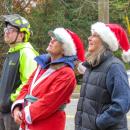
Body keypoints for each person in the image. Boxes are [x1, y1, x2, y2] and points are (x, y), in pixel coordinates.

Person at [11, 27, 85, 130]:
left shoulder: (67, 74)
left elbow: (48, 103)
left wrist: (22, 114)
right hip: (28, 123)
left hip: (47, 125)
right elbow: (27, 87)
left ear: (65, 49)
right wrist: (17, 108)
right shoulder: (42, 65)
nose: (52, 40)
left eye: (57, 39)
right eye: (52, 37)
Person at [75, 22, 130, 130]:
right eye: (91, 35)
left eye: (95, 35)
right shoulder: (91, 67)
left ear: (106, 41)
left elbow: (122, 104)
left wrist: (99, 122)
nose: (89, 38)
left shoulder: (115, 67)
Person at [0, 14, 38, 130]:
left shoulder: (27, 53)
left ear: (21, 35)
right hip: (4, 110)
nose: (6, 32)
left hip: (13, 112)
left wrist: (11, 99)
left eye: (10, 30)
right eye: (6, 29)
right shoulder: (12, 52)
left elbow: (29, 82)